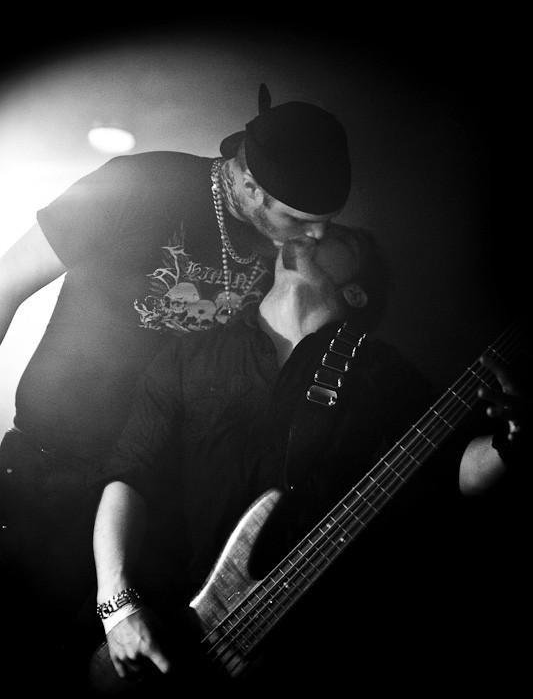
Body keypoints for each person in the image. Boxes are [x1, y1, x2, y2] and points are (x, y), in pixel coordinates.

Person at [87, 226, 529, 696]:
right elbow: (130, 474)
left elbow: (453, 471)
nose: (315, 232)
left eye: (341, 239)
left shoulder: (382, 372)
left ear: (355, 292)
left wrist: (515, 439)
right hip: (168, 636)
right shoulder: (190, 353)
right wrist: (117, 608)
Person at [0, 85, 352, 628]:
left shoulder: (292, 252)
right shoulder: (139, 185)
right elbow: (6, 285)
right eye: (299, 218)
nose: (316, 233)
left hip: (161, 494)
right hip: (53, 466)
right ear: (250, 186)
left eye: (326, 219)